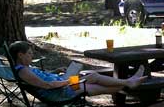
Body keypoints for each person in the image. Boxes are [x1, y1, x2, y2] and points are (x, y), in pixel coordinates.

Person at [9, 41, 147, 102]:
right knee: (89, 81)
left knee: (91, 80)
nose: (31, 56)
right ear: (20, 55)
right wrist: (68, 80)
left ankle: (129, 83)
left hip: (62, 86)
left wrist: (56, 71)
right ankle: (128, 83)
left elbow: (44, 77)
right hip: (60, 92)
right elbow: (46, 85)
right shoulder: (23, 71)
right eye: (29, 53)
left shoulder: (26, 68)